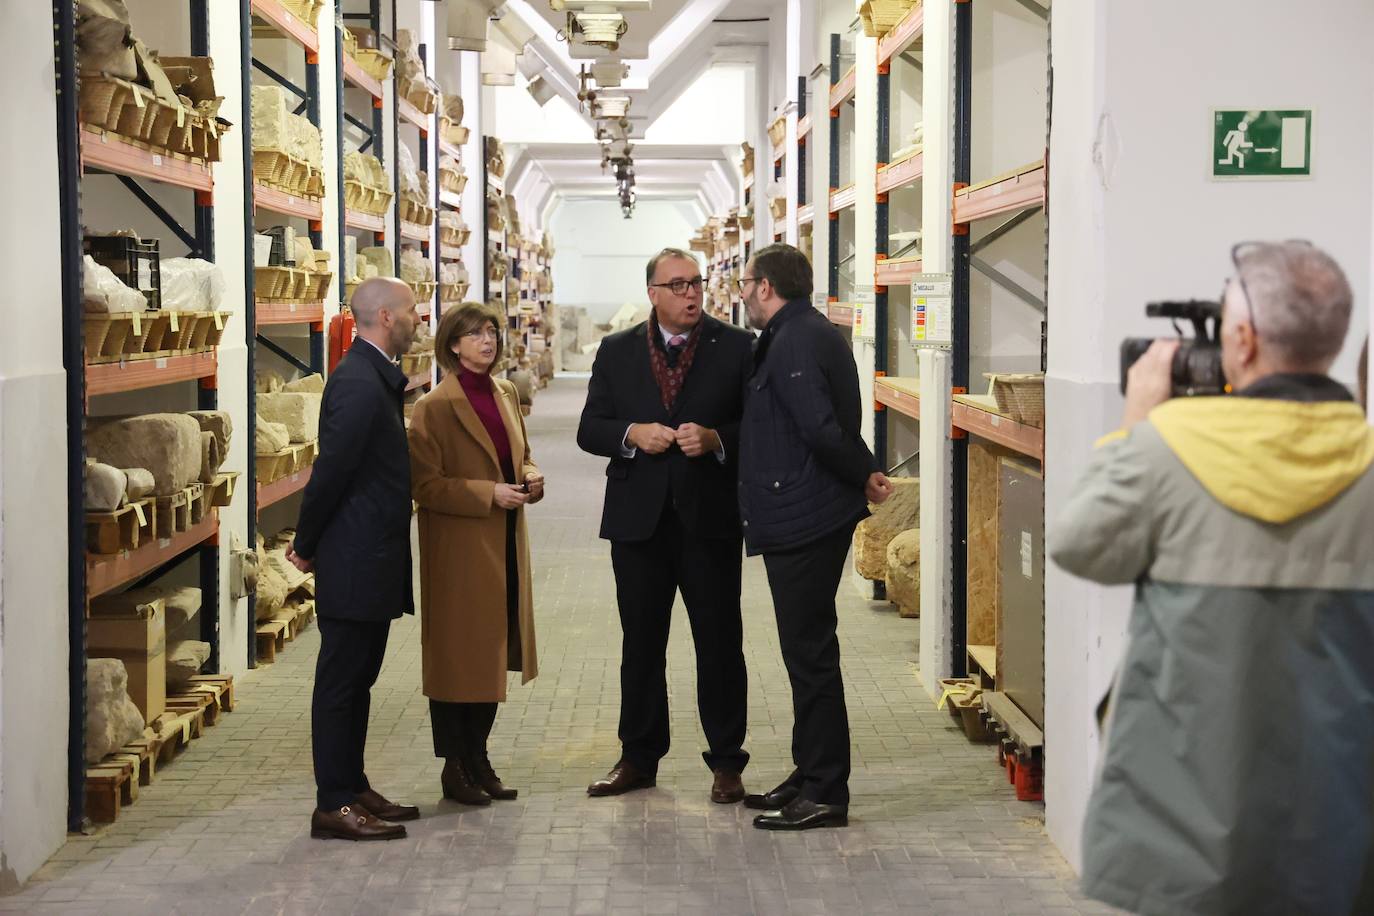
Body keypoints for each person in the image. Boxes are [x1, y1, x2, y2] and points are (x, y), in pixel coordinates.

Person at [1049, 241, 1374, 915]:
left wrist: (1134, 421)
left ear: (1244, 340)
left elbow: (1082, 545)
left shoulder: (1167, 450)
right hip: (1341, 829)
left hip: (1180, 834)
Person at [576, 247, 755, 804]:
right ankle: (638, 757)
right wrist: (630, 433)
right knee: (641, 645)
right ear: (652, 293)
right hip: (639, 524)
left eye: (695, 283)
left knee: (720, 644)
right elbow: (590, 428)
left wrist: (718, 438)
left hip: (710, 521)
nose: (690, 293)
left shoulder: (739, 348)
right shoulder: (616, 350)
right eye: (676, 285)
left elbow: (763, 425)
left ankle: (727, 763)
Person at [735, 243, 892, 831]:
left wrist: (862, 471)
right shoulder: (797, 332)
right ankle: (809, 772)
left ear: (767, 286)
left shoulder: (797, 339)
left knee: (811, 657)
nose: (743, 293)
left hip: (805, 514)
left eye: (747, 282)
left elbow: (820, 426)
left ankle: (827, 789)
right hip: (802, 509)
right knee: (806, 653)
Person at [289, 277, 421, 841]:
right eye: (413, 309)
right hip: (354, 556)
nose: (420, 317)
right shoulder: (359, 384)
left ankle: (353, 785)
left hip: (371, 553)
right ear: (387, 317)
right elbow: (331, 473)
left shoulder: (375, 378)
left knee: (359, 677)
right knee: (341, 681)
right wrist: (307, 542)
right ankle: (333, 802)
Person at [407, 304, 542, 806]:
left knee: (491, 653)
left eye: (491, 332)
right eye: (473, 334)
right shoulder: (435, 406)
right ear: (452, 344)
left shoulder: (504, 392)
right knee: (456, 660)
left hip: (503, 540)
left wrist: (529, 475)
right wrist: (489, 494)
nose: (486, 341)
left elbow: (518, 453)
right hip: (459, 550)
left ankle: (479, 758)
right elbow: (426, 486)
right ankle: (454, 766)